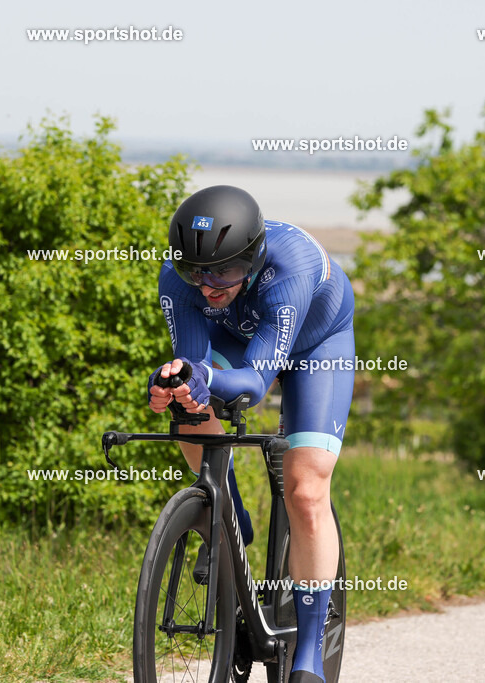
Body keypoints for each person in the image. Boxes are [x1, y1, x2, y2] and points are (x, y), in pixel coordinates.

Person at [147, 185, 355, 683]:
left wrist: (208, 377)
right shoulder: (182, 282)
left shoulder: (291, 269)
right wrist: (174, 380)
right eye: (195, 272)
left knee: (305, 491)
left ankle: (308, 655)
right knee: (184, 394)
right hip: (235, 339)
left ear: (255, 259)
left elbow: (253, 386)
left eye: (225, 271)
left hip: (315, 347)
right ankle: (229, 517)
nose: (209, 286)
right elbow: (197, 365)